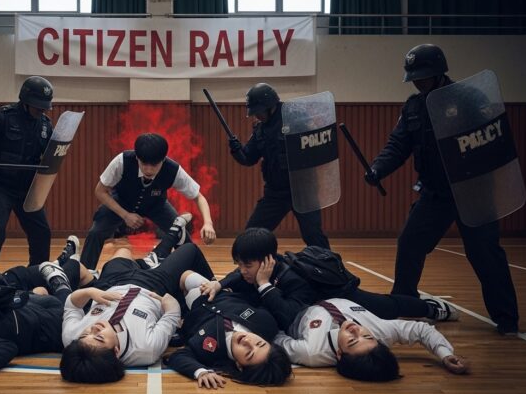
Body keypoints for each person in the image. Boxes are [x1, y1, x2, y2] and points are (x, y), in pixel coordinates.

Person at [364, 44, 519, 335]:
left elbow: (493, 141)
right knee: (410, 243)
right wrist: (378, 169)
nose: (418, 82)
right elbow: (398, 145)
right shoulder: (413, 107)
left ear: (439, 72)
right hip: (435, 193)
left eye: (423, 76)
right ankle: (404, 306)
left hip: (474, 192)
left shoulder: (470, 99)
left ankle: (507, 319)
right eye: (414, 78)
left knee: (485, 254)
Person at [200, 228, 458, 332]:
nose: (242, 270)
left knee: (386, 307)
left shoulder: (292, 280)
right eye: (239, 263)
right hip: (316, 301)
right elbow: (240, 275)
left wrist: (265, 286)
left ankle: (430, 308)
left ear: (267, 261)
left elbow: (289, 316)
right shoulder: (262, 266)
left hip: (339, 295)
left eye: (247, 265)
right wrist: (219, 283)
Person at [60, 241, 216, 383]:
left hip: (109, 283)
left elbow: (71, 306)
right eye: (99, 337)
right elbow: (172, 313)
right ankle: (219, 291)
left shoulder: (71, 338)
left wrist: (89, 292)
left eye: (85, 335)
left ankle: (147, 263)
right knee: (189, 250)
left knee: (123, 251)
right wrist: (168, 302)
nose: (94, 328)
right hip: (153, 286)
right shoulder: (146, 348)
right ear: (116, 352)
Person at [79, 133, 217, 270]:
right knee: (95, 232)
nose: (149, 169)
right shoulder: (121, 161)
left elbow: (199, 197)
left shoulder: (173, 169)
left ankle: (195, 275)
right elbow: (100, 191)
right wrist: (125, 215)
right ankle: (83, 274)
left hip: (156, 205)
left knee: (182, 237)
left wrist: (208, 223)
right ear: (137, 157)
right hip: (122, 202)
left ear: (163, 160)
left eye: (154, 165)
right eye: (144, 164)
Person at [0, 76, 55, 269]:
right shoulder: (3, 117)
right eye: (38, 106)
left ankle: (37, 275)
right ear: (25, 101)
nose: (42, 110)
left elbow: (51, 154)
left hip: (28, 189)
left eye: (44, 107)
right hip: (0, 186)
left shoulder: (45, 125)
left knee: (42, 232)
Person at [228, 83, 330, 249]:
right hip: (276, 192)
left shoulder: (295, 117)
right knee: (251, 235)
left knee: (313, 235)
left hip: (303, 190)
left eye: (259, 111)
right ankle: (254, 264)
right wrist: (236, 149)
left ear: (270, 106)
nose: (256, 116)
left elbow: (316, 147)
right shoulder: (260, 129)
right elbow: (248, 159)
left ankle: (328, 265)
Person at [275, 298, 469, 382]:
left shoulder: (312, 352)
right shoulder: (380, 333)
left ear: (340, 354)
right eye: (366, 336)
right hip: (342, 296)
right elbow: (420, 329)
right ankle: (432, 308)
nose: (355, 330)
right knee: (390, 304)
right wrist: (445, 354)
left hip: (298, 305)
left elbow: (278, 338)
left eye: (352, 341)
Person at [166, 271, 292, 388]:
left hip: (190, 305)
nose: (247, 341)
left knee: (181, 277)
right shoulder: (267, 324)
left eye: (248, 353)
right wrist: (223, 286)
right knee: (187, 271)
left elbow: (177, 356)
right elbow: (255, 296)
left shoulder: (212, 355)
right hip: (217, 290)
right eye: (259, 343)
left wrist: (201, 372)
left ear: (239, 366)